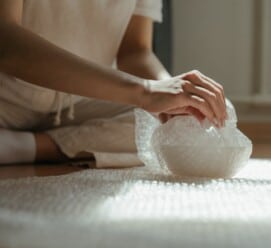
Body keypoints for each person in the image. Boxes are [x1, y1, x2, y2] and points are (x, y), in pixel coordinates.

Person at [0, 0, 227, 167]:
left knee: (206, 112)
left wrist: (173, 93)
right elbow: (6, 42)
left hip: (79, 103)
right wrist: (145, 91)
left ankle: (24, 147)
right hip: (5, 100)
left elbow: (134, 52)